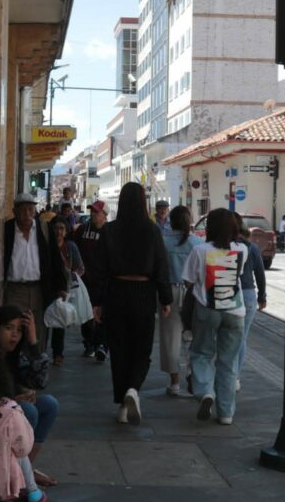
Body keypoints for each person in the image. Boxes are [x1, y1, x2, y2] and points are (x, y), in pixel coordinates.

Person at [92, 182, 172, 425]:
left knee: (119, 350)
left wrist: (97, 301)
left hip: (116, 293)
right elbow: (161, 265)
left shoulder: (109, 230)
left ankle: (122, 407)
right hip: (144, 293)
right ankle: (133, 390)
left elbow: (99, 269)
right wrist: (165, 298)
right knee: (142, 349)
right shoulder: (152, 231)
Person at [183, 209, 248, 425]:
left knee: (201, 354)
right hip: (235, 312)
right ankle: (226, 413)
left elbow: (188, 281)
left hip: (207, 310)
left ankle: (205, 392)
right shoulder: (242, 250)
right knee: (228, 362)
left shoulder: (200, 250)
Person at [0, 304, 59, 488]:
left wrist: (33, 341)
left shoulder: (15, 355)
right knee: (28, 411)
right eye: (9, 328)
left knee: (49, 404)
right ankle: (21, 473)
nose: (14, 335)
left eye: (19, 330)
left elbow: (40, 381)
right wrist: (13, 399)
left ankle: (24, 469)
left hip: (9, 408)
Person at [3, 192, 68, 351]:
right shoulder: (7, 230)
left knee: (37, 333)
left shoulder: (44, 229)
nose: (27, 214)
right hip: (14, 290)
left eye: (30, 210)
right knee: (13, 331)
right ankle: (14, 367)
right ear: (14, 211)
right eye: (23, 210)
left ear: (35, 211)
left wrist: (61, 286)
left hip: (39, 289)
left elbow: (55, 259)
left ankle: (36, 367)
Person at [0, 342, 47, 502]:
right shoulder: (9, 409)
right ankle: (33, 491)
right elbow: (23, 447)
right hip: (4, 470)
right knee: (18, 453)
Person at [159, 205, 202, 396]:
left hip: (169, 293)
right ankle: (193, 374)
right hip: (193, 292)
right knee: (194, 337)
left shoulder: (163, 241)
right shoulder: (198, 243)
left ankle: (174, 382)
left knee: (170, 338)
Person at [232, 212, 266, 393]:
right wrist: (262, 297)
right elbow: (260, 274)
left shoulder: (225, 246)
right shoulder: (252, 248)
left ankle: (226, 374)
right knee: (242, 338)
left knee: (226, 337)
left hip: (230, 294)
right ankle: (235, 377)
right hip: (248, 294)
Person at [74, 200, 109, 361]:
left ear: (105, 215)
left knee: (102, 313)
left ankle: (101, 344)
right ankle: (89, 343)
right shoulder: (82, 229)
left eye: (96, 212)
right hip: (85, 281)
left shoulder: (110, 233)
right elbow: (72, 247)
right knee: (86, 313)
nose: (93, 215)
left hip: (103, 280)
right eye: (92, 212)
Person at [48, 216, 84, 367]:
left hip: (64, 290)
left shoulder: (70, 247)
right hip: (47, 287)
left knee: (59, 323)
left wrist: (72, 279)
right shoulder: (46, 245)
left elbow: (80, 268)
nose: (58, 232)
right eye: (56, 228)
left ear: (66, 231)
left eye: (62, 228)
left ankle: (58, 354)